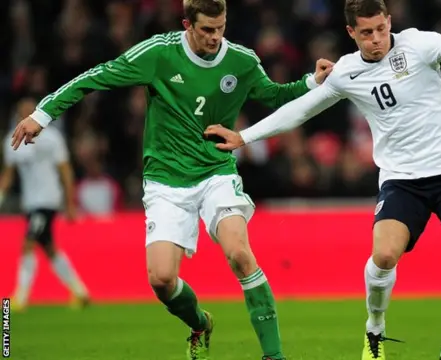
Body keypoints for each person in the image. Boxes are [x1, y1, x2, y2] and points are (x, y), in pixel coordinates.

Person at [201, 1, 441, 359]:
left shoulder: (418, 44)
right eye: (366, 33)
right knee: (384, 255)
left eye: (380, 29)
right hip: (402, 180)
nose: (376, 38)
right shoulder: (346, 72)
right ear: (351, 32)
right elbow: (300, 109)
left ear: (389, 21)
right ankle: (374, 330)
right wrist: (244, 137)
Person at [10, 0, 333, 359]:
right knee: (162, 279)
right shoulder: (159, 54)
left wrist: (310, 81)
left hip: (215, 172)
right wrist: (43, 114)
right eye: (206, 30)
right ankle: (199, 323)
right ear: (187, 24)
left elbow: (274, 94)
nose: (215, 37)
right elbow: (97, 76)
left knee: (240, 253)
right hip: (165, 179)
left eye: (220, 28)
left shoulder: (241, 60)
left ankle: (274, 356)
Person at [1, 97, 90, 312]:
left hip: (48, 200)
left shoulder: (51, 138)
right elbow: (9, 174)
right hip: (31, 203)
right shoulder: (12, 140)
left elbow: (66, 171)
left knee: (28, 243)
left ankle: (21, 296)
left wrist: (69, 203)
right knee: (49, 248)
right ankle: (80, 292)